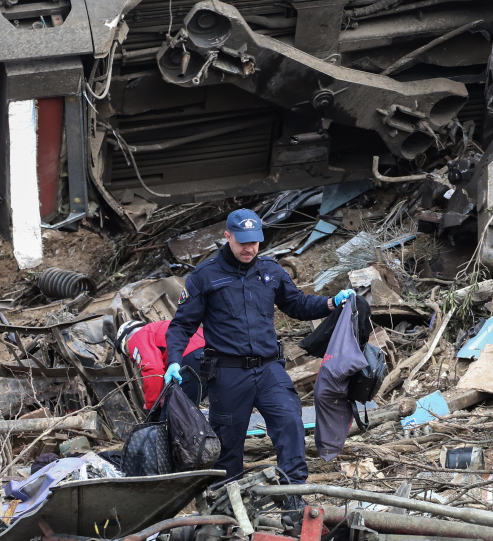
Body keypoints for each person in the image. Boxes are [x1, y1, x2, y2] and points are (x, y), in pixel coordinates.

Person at [165, 208, 354, 486]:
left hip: (268, 370)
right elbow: (182, 326)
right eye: (243, 242)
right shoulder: (204, 277)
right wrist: (173, 361)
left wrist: (331, 302)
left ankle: (293, 505)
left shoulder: (270, 271)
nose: (249, 248)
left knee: (291, 424)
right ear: (227, 236)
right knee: (227, 449)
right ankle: (229, 519)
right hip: (228, 375)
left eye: (254, 242)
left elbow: (297, 304)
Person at [116, 319, 206, 410]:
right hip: (213, 355)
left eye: (128, 353)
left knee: (169, 418)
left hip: (191, 361)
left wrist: (153, 406)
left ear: (126, 342)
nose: (132, 356)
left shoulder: (136, 337)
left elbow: (153, 370)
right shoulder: (158, 329)